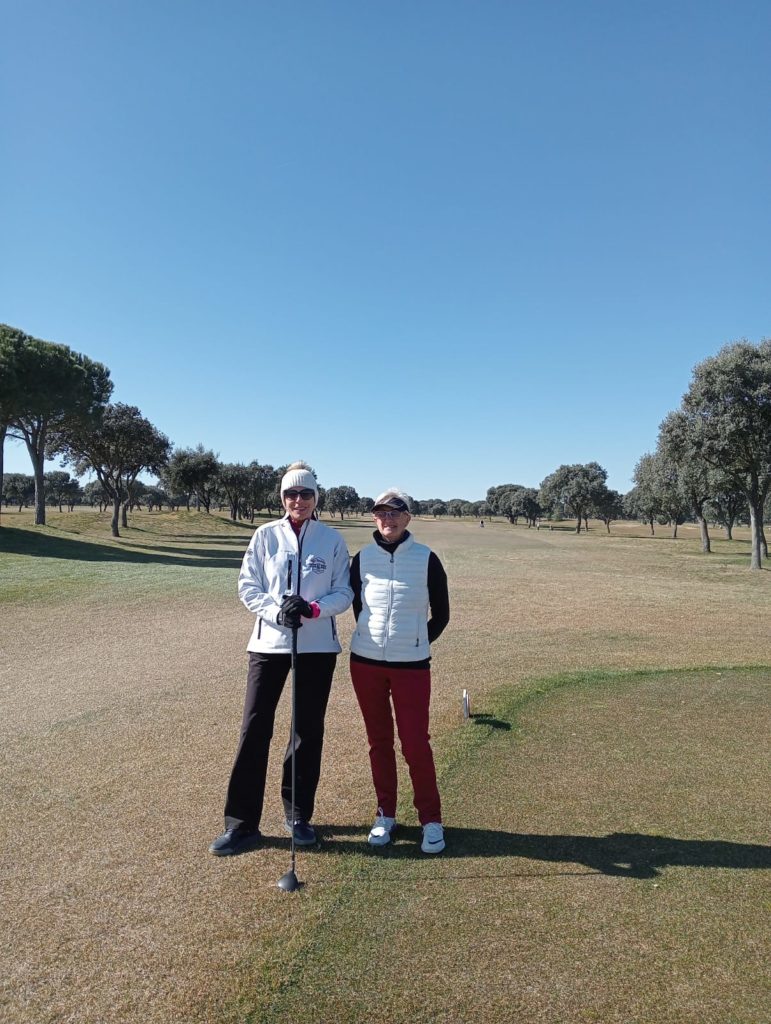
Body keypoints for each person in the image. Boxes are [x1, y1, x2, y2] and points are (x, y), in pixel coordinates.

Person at [209, 462, 353, 856]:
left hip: (317, 646)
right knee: (254, 728)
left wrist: (312, 609)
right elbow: (248, 585)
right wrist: (277, 611)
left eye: (306, 494)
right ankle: (241, 824)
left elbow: (344, 591)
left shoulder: (331, 539)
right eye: (291, 494)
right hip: (269, 644)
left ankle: (299, 816)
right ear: (282, 498)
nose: (298, 501)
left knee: (306, 731)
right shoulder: (265, 535)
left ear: (315, 498)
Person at [349, 489, 450, 854]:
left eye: (395, 513)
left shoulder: (426, 559)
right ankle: (385, 815)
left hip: (412, 667)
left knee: (415, 744)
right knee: (379, 743)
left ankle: (431, 820)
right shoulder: (361, 559)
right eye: (380, 513)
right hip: (365, 663)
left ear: (408, 517)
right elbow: (358, 605)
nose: (387, 519)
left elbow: (441, 614)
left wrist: (416, 642)